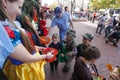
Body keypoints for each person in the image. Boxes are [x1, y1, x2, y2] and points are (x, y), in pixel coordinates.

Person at [0, 0, 53, 80]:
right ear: (5, 2)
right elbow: (28, 58)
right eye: (19, 7)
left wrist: (35, 47)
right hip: (23, 70)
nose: (20, 13)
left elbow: (19, 45)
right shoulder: (5, 32)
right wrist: (46, 56)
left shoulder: (6, 25)